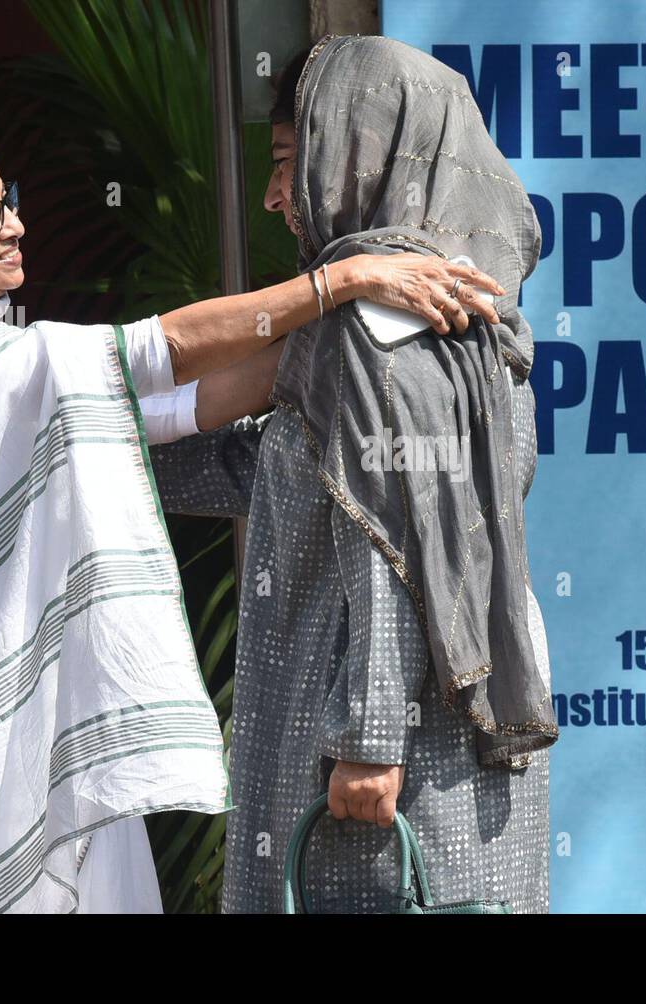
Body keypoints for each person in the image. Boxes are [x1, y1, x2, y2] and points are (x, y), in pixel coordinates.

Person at [0, 117, 495, 914]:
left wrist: (354, 337)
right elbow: (156, 351)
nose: (13, 225)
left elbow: (183, 401)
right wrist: (343, 283)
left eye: (8, 198)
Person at [150, 35, 558, 914]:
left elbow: (391, 549)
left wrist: (371, 739)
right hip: (451, 754)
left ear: (361, 152)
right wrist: (99, 445)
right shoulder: (472, 318)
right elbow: (280, 473)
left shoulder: (373, 326)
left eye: (293, 163)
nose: (273, 196)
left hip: (374, 763)